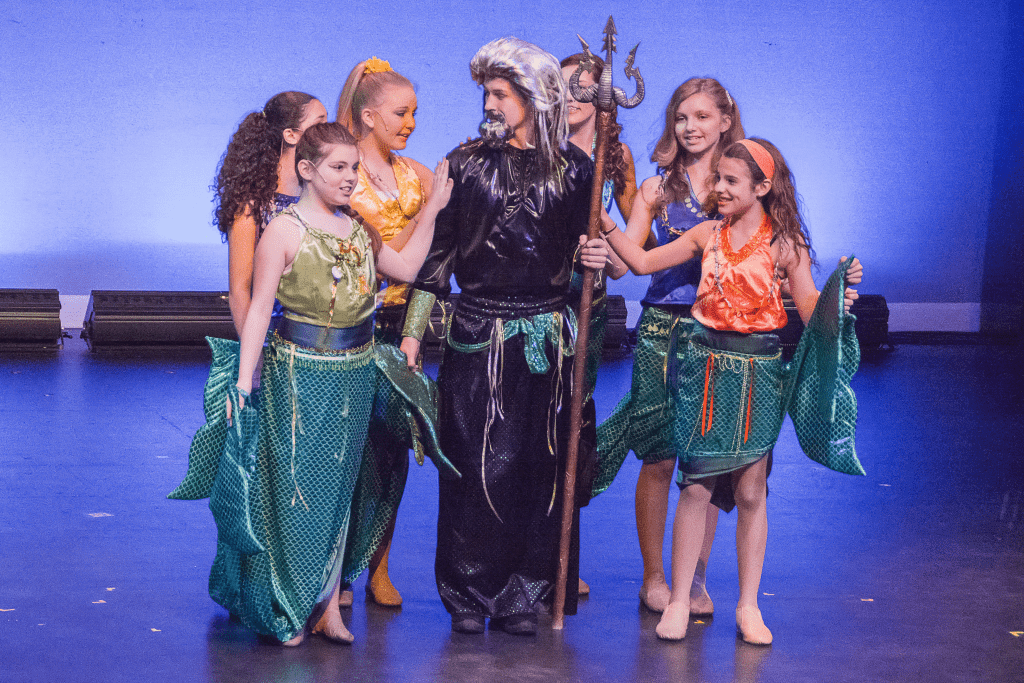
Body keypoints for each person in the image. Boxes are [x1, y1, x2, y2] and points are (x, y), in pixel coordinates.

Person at [170, 122, 453, 646]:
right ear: (306, 169)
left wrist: (432, 209)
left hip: (354, 374)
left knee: (341, 488)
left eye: (354, 168)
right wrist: (244, 382)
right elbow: (259, 309)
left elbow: (408, 267)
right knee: (295, 489)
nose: (350, 178)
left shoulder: (360, 228)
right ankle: (285, 603)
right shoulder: (285, 229)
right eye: (338, 168)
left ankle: (326, 608)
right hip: (299, 374)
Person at [599, 137, 864, 643]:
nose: (718, 188)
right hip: (705, 370)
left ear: (762, 188)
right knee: (695, 484)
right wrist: (606, 221)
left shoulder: (785, 245)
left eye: (730, 181)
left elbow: (810, 309)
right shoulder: (706, 234)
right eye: (717, 178)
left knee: (749, 491)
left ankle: (748, 606)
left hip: (758, 375)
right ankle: (679, 601)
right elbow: (643, 263)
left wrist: (839, 293)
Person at [400, 37, 609, 635]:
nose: (489, 105)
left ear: (534, 97)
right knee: (470, 465)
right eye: (486, 94)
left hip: (545, 337)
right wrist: (413, 337)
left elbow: (585, 260)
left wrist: (594, 260)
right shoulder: (463, 165)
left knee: (538, 469)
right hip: (478, 335)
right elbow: (436, 260)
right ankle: (467, 594)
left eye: (500, 93)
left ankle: (522, 593)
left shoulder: (576, 171)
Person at [593, 78, 743, 616]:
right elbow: (627, 261)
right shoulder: (657, 190)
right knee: (658, 456)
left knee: (707, 461)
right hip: (662, 330)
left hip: (720, 333)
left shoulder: (738, 185)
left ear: (725, 120)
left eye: (701, 116)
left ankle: (694, 577)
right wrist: (601, 232)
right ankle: (654, 577)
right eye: (681, 117)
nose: (690, 127)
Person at [333, 56, 439, 609]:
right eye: (401, 113)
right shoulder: (342, 174)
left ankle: (379, 564)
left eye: (415, 113)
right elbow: (368, 255)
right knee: (347, 450)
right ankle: (336, 569)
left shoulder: (417, 176)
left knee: (393, 450)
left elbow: (433, 266)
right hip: (352, 323)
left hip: (402, 325)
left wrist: (414, 333)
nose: (411, 124)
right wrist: (426, 218)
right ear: (369, 116)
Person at [559, 52, 638, 597]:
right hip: (541, 301)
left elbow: (634, 245)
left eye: (582, 88)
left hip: (588, 301)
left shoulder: (616, 157)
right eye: (562, 87)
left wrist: (611, 251)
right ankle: (534, 556)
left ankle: (564, 558)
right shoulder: (539, 150)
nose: (571, 97)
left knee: (575, 425)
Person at [212, 91, 328, 335]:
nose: (327, 132)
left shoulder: (321, 196)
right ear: (291, 135)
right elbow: (239, 292)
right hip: (273, 336)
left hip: (318, 337)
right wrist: (254, 353)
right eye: (319, 124)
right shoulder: (254, 205)